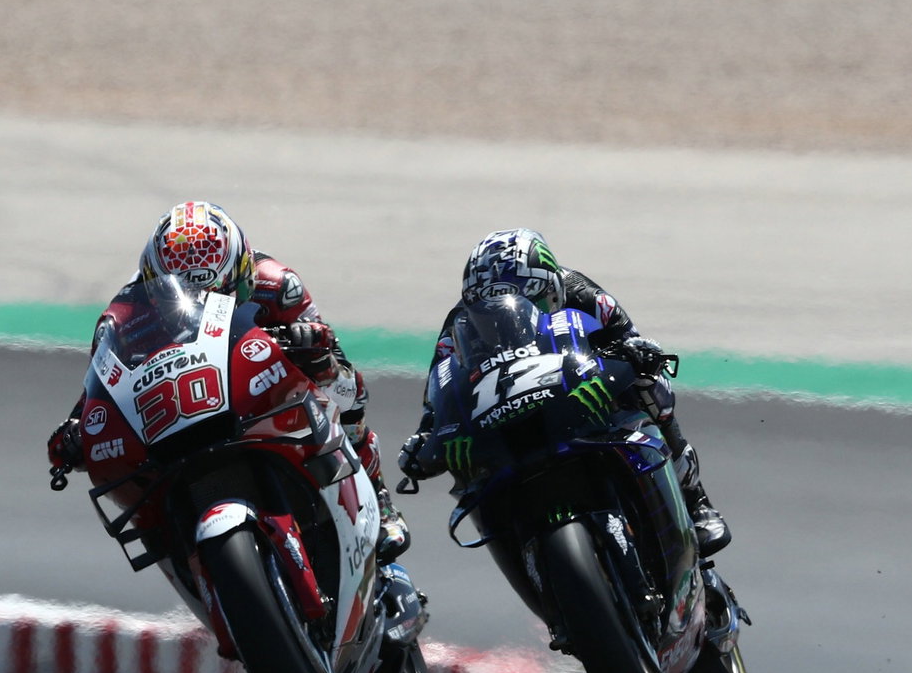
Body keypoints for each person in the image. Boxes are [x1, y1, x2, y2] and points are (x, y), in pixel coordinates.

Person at [45, 200, 410, 560]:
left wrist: (311, 345)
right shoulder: (122, 314)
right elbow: (100, 387)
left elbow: (339, 365)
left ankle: (379, 497)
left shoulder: (279, 286)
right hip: (179, 409)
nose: (200, 301)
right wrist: (77, 428)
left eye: (213, 292)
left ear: (241, 270)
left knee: (342, 388)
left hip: (254, 391)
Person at [397, 227, 731, 555]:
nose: (504, 316)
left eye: (530, 297)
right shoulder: (458, 323)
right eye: (488, 304)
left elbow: (631, 340)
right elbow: (438, 389)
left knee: (651, 386)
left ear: (552, 286)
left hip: (581, 386)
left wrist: (636, 358)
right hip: (505, 409)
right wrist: (427, 434)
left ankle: (696, 500)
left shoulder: (585, 293)